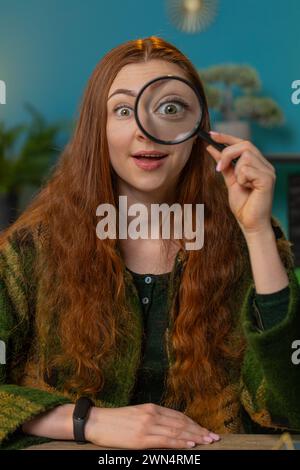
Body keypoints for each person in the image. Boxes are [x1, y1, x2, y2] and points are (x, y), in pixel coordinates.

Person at [0, 36, 299, 451]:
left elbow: (293, 405)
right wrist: (88, 421)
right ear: (97, 128)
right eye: (124, 110)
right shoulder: (30, 248)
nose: (149, 132)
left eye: (171, 109)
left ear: (199, 129)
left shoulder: (245, 240)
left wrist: (257, 233)